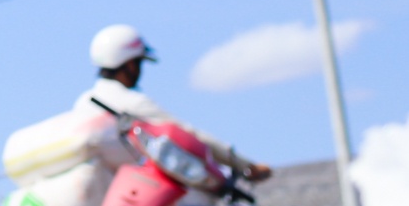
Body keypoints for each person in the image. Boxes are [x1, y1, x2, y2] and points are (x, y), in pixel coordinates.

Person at [81, 25, 272, 182]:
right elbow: (189, 136)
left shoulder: (83, 103)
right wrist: (246, 165)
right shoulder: (133, 102)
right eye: (139, 63)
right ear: (130, 64)